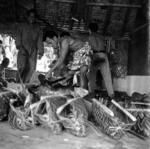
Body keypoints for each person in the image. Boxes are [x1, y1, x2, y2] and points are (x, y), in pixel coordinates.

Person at [16, 9, 44, 83]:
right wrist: (20, 47)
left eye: (33, 16)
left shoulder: (38, 28)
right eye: (30, 16)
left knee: (32, 69)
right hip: (23, 48)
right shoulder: (21, 26)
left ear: (35, 18)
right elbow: (18, 37)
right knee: (21, 67)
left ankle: (25, 84)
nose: (32, 18)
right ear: (27, 17)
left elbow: (39, 40)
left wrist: (41, 51)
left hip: (33, 50)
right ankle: (18, 83)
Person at [88, 22, 114, 98]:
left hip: (95, 55)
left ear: (89, 30)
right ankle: (111, 94)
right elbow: (108, 47)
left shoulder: (90, 36)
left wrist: (91, 57)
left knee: (92, 75)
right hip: (103, 54)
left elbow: (91, 48)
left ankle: (91, 93)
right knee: (107, 75)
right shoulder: (101, 36)